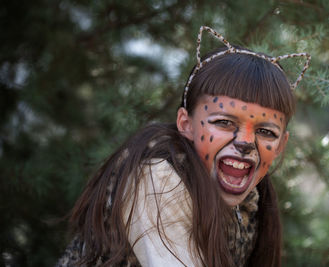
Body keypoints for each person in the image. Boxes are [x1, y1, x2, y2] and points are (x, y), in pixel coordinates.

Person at [56, 26, 310, 267]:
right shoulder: (159, 179)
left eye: (265, 132)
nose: (244, 142)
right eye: (223, 122)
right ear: (186, 124)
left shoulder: (253, 202)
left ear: (280, 145)